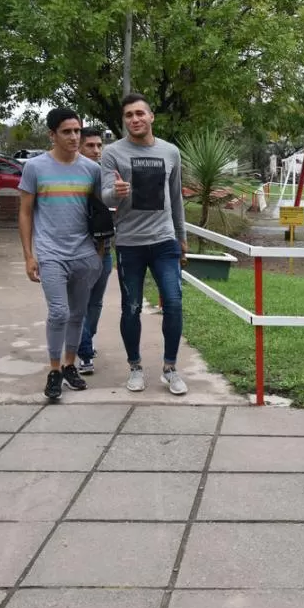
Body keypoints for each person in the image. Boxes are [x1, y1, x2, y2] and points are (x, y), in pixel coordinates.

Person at [101, 93, 188, 395]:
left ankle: (170, 368)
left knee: (174, 304)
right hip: (129, 244)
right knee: (132, 307)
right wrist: (117, 192)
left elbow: (175, 198)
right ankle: (135, 366)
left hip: (165, 241)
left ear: (151, 117)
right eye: (128, 115)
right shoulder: (112, 153)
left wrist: (182, 237)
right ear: (124, 120)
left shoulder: (170, 152)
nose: (135, 119)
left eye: (140, 113)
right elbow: (105, 195)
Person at [18, 108, 102, 400]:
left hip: (84, 255)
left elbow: (101, 214)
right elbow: (26, 212)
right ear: (52, 135)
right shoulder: (35, 167)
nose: (74, 137)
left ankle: (70, 365)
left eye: (77, 131)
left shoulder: (92, 170)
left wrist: (99, 253)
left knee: (78, 314)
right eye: (67, 131)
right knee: (59, 312)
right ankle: (54, 371)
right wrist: (29, 255)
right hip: (50, 254)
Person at [76, 126, 111, 374]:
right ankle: (84, 350)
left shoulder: (105, 176)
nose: (96, 150)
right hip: (77, 251)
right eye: (90, 146)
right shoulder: (72, 176)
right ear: (79, 147)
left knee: (95, 303)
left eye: (99, 146)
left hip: (104, 250)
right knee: (79, 302)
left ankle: (87, 339)